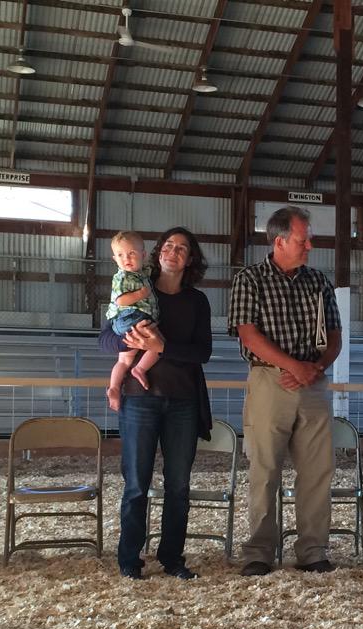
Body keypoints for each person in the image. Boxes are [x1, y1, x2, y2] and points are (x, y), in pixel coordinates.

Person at [228, 206, 342, 576]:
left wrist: (317, 367)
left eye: (308, 237)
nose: (310, 244)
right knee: (264, 468)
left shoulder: (318, 282)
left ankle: (313, 549)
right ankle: (259, 551)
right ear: (279, 241)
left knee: (317, 470)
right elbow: (248, 334)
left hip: (314, 381)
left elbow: (336, 336)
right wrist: (294, 366)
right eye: (302, 238)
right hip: (269, 381)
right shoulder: (250, 279)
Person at [99, 227, 213, 581]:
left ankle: (172, 557)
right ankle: (129, 558)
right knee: (136, 483)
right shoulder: (134, 285)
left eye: (182, 248)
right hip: (139, 401)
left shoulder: (197, 302)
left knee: (178, 485)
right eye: (168, 245)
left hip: (182, 401)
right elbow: (104, 338)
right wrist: (125, 340)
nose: (173, 251)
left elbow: (202, 352)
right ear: (157, 252)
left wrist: (163, 347)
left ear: (190, 258)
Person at [105, 231, 160, 411]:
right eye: (120, 255)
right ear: (115, 259)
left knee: (124, 360)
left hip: (127, 321)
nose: (126, 258)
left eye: (132, 253)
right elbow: (120, 300)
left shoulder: (141, 273)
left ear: (143, 255)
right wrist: (140, 294)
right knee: (159, 345)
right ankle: (141, 369)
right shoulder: (122, 277)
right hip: (132, 317)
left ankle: (113, 387)